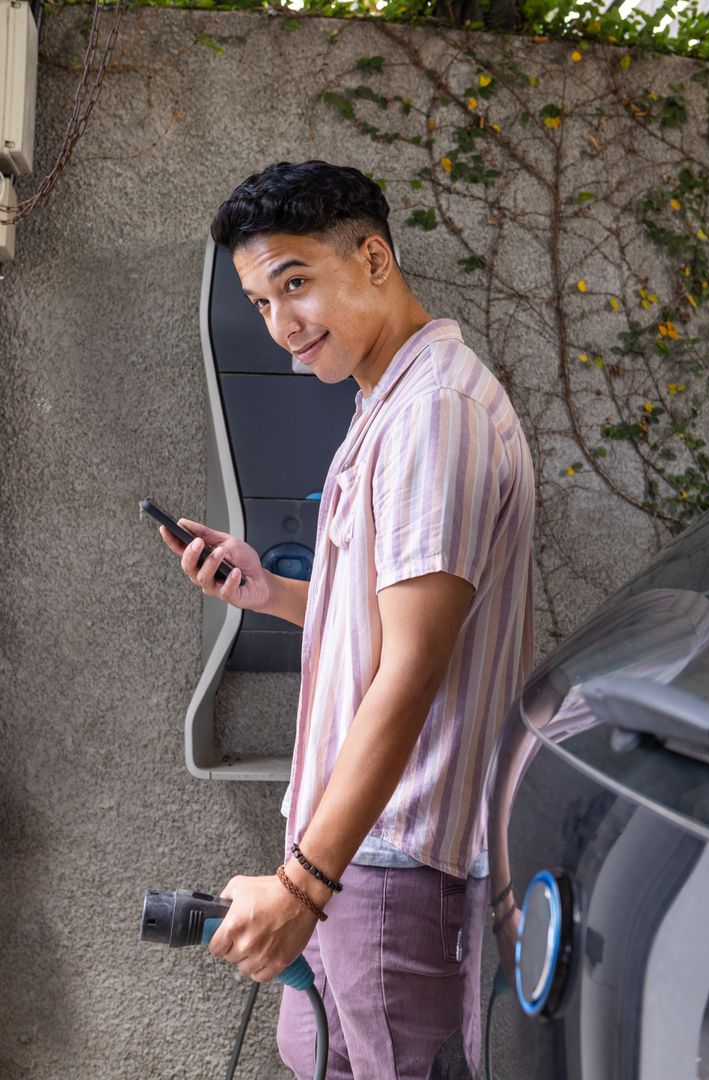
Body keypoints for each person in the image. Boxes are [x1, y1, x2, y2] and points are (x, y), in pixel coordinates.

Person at [159, 159, 535, 1079]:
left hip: (392, 852)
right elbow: (385, 622)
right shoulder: (390, 400)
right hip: (355, 844)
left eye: (296, 283)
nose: (282, 324)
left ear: (373, 258)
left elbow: (411, 672)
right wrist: (268, 592)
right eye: (259, 301)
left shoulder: (432, 415)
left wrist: (303, 884)